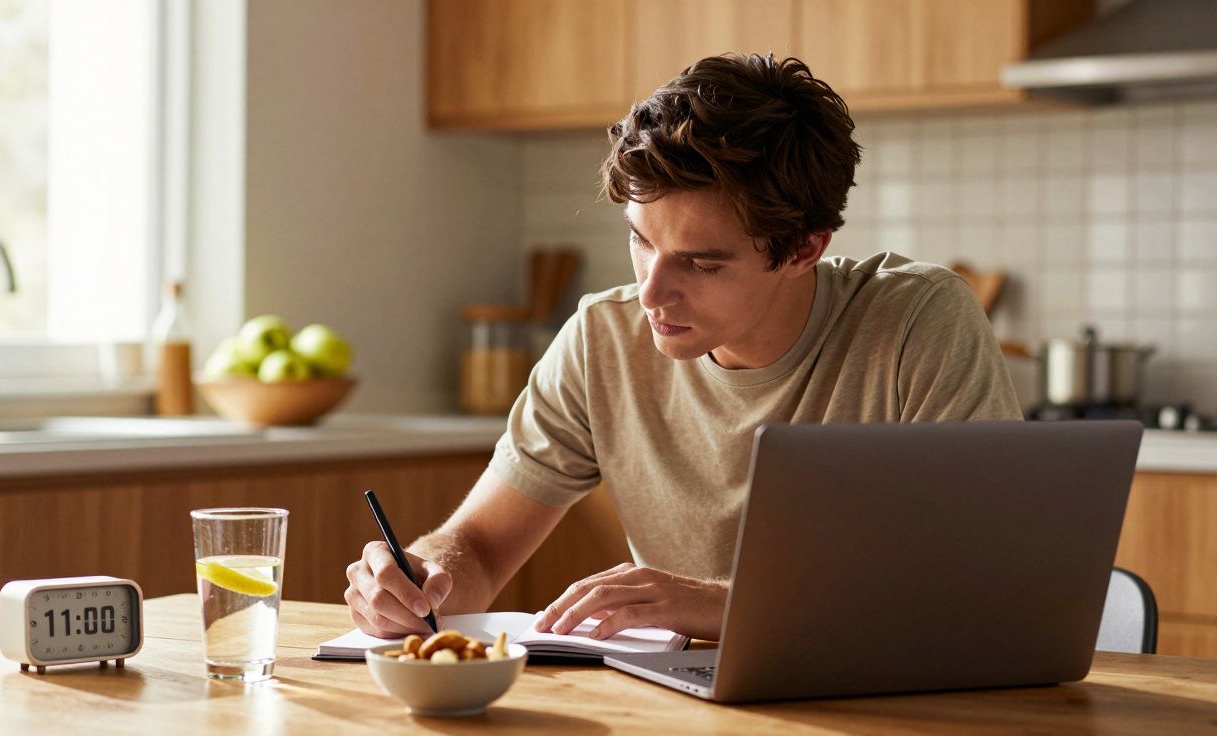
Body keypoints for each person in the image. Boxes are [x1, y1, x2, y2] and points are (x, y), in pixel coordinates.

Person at [345, 53, 1020, 642]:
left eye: (701, 264)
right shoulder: (600, 340)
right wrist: (424, 577)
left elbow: (980, 585)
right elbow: (481, 551)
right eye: (641, 240)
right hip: (682, 703)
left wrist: (724, 605)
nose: (650, 294)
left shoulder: (917, 321)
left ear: (805, 248)